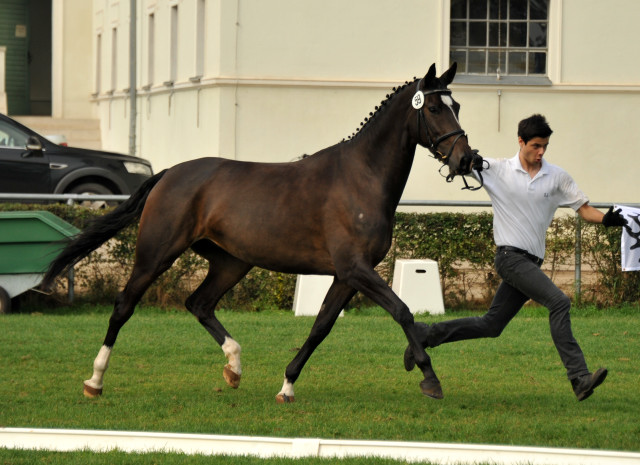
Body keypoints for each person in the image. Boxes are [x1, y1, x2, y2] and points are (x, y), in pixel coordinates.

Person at [405, 114, 627, 401]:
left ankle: (425, 336)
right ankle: (579, 378)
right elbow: (457, 162)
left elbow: (584, 210)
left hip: (531, 263)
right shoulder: (497, 169)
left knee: (491, 325)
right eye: (535, 145)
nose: (541, 152)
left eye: (545, 146)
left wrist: (608, 219)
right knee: (559, 302)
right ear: (520, 141)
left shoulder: (557, 176)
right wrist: (463, 157)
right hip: (510, 258)